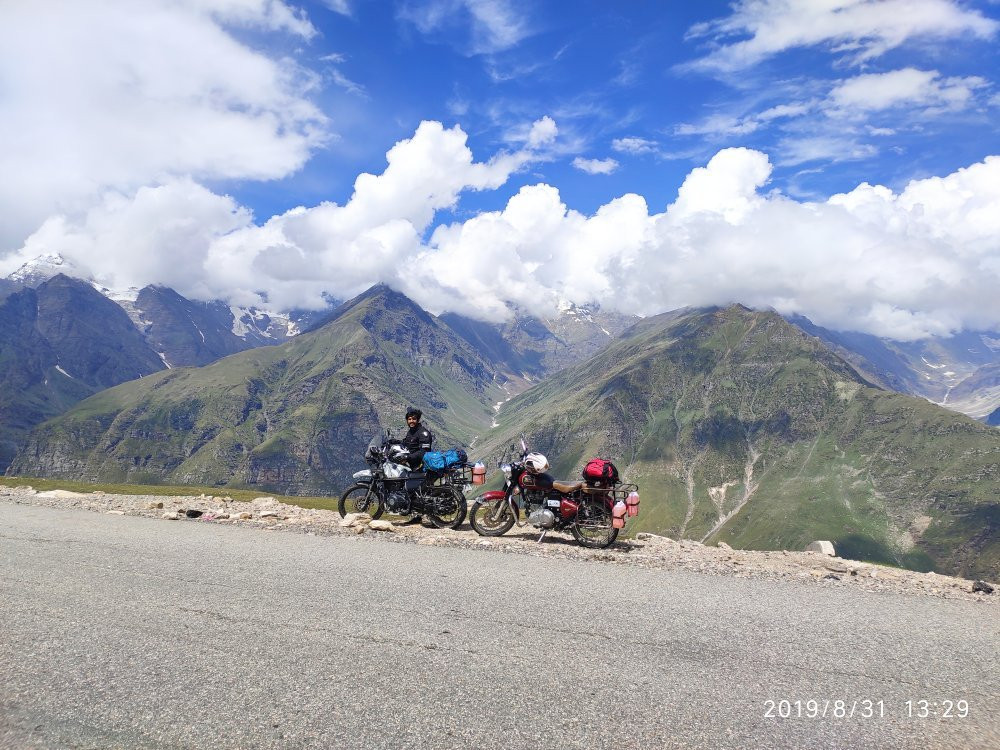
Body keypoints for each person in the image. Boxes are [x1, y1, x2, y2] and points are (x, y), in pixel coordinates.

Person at [397, 407, 433, 524]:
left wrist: (408, 457)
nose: (411, 421)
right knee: (412, 491)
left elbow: (423, 452)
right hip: (413, 465)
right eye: (409, 419)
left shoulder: (423, 433)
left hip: (422, 466)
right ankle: (416, 516)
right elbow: (407, 444)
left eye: (413, 419)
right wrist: (394, 442)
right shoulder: (411, 432)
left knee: (421, 492)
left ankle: (428, 516)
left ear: (418, 420)